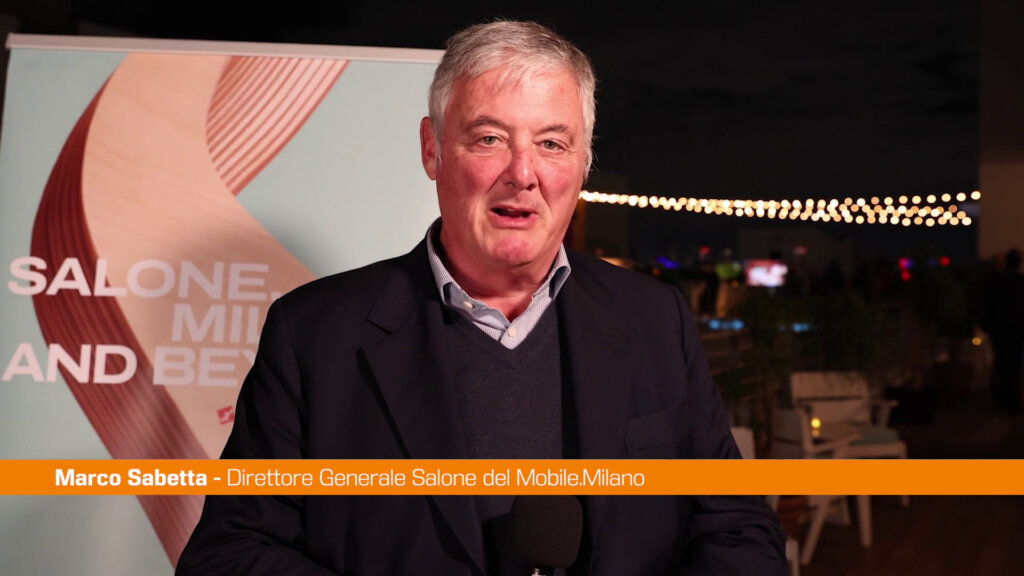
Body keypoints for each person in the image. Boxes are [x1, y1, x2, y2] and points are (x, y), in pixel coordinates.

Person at [176, 20, 787, 575]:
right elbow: (229, 553)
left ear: (583, 163)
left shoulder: (655, 319)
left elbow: (740, 530)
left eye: (552, 144)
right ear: (432, 149)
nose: (522, 173)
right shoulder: (313, 335)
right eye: (490, 138)